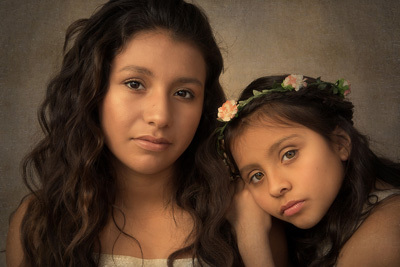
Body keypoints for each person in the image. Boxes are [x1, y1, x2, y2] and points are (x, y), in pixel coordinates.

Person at [5, 0, 242, 266]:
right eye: (135, 84)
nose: (160, 116)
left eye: (183, 93)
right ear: (93, 90)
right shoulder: (39, 223)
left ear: (204, 106)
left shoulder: (241, 216)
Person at [213, 74, 400, 266]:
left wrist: (251, 238)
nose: (275, 187)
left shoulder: (386, 234)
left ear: (340, 143)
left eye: (289, 154)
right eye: (257, 176)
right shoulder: (319, 227)